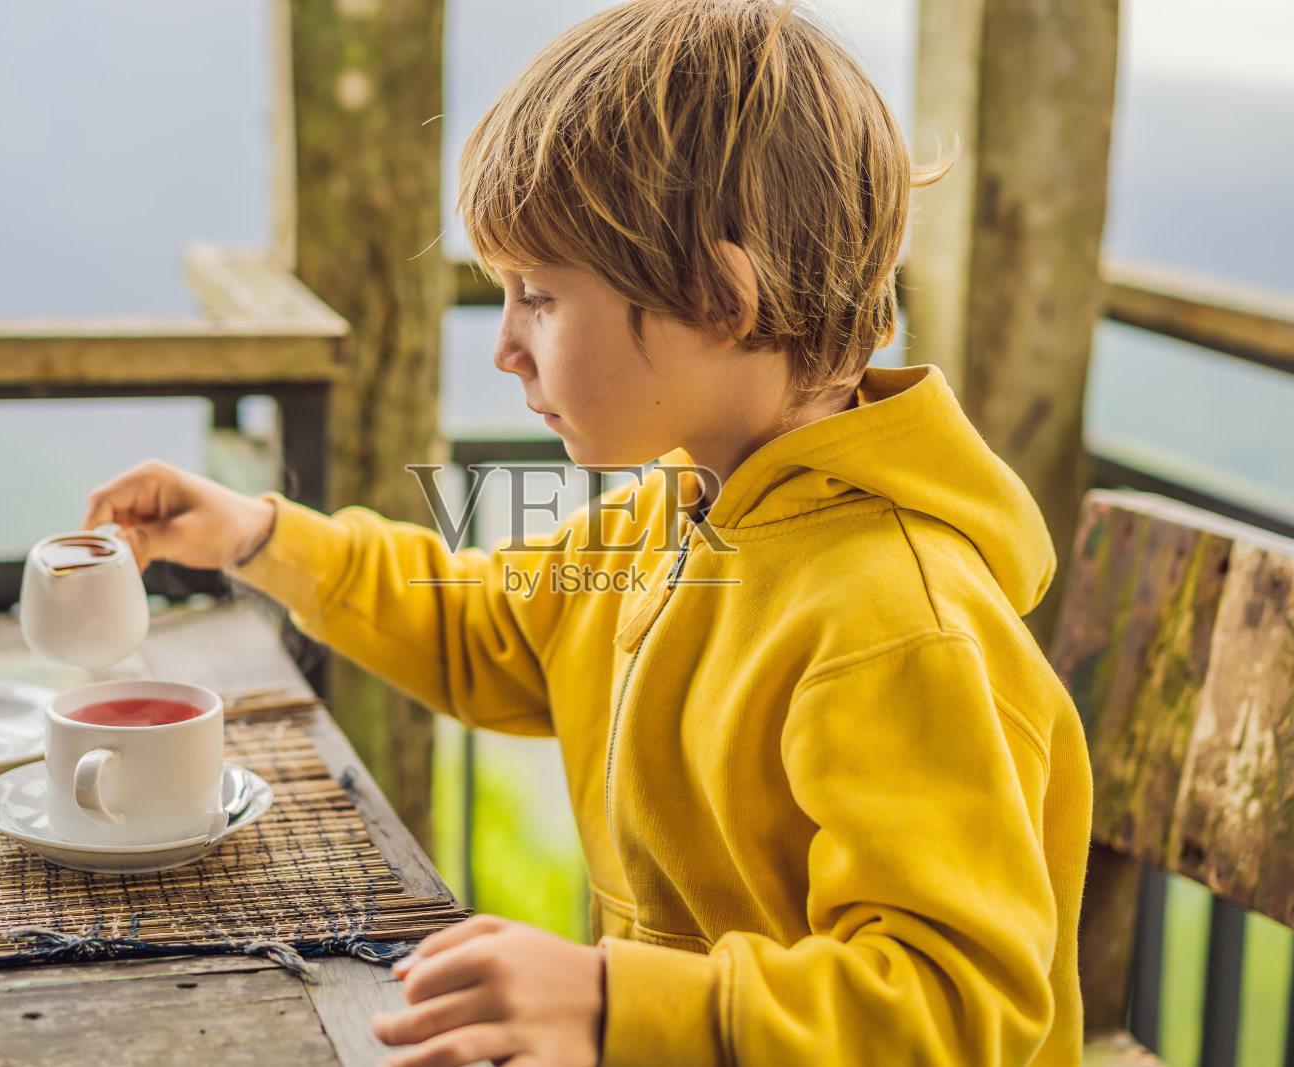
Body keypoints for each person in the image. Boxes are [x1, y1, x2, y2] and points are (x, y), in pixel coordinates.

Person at [83, 1, 1091, 1063]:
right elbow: (486, 627)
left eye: (538, 296)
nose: (505, 346)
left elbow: (956, 1009)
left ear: (720, 299)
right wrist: (257, 535)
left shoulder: (896, 623)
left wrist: (617, 1002)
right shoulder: (678, 508)